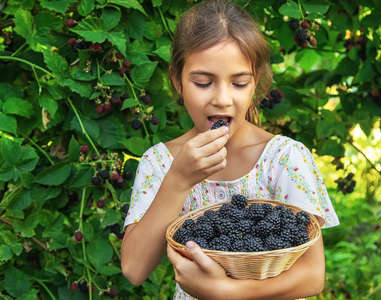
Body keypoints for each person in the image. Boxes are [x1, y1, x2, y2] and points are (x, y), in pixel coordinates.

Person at [121, 0, 339, 299]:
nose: (222, 99)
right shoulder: (160, 162)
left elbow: (312, 277)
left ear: (256, 84)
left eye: (238, 83)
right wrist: (179, 180)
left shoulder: (284, 159)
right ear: (177, 81)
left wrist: (228, 292)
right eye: (203, 82)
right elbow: (134, 269)